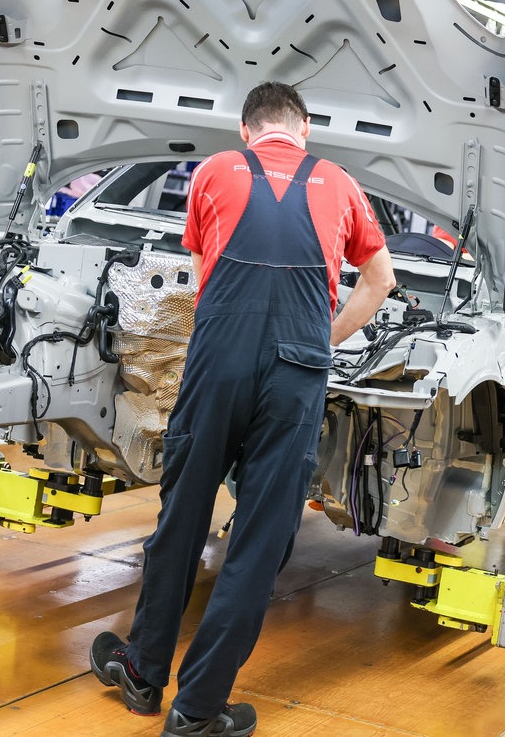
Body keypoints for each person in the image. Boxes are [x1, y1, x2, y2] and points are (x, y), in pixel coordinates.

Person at [89, 82, 396, 736]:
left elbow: (204, 272)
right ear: (305, 129)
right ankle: (197, 711)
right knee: (258, 544)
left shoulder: (215, 171)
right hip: (297, 372)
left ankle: (142, 675)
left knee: (182, 519)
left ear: (245, 130)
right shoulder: (339, 183)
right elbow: (381, 281)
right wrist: (323, 339)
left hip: (219, 364)